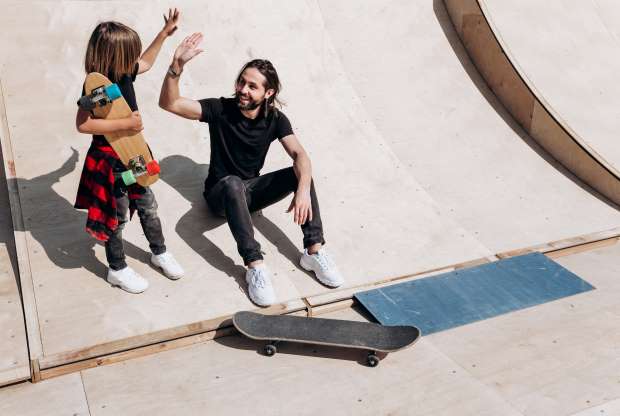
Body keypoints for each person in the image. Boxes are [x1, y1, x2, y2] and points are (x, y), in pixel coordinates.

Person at [158, 33, 344, 307]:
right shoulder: (220, 109)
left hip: (251, 194)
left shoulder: (275, 119)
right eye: (241, 82)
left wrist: (302, 189)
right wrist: (176, 67)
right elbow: (169, 103)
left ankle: (313, 251)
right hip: (220, 196)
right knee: (233, 182)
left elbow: (300, 154)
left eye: (252, 86)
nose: (243, 89)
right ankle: (255, 266)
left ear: (268, 93)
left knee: (300, 171)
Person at [75, 11, 184, 294]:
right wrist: (127, 122)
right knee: (117, 215)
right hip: (110, 163)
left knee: (148, 201)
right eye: (129, 53)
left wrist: (164, 33)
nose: (134, 59)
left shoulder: (124, 73)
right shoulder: (101, 88)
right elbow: (83, 123)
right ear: (112, 55)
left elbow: (146, 62)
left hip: (134, 155)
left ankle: (159, 252)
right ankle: (117, 268)